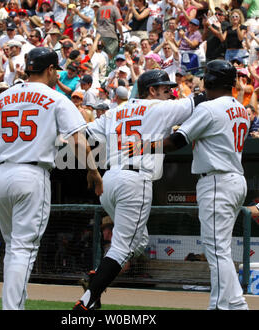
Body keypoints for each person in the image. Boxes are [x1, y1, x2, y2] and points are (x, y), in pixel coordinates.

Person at [0, 47, 103, 310]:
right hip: (31, 174)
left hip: (1, 173)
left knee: (13, 248)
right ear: (49, 70)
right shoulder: (55, 98)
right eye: (55, 71)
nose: (56, 76)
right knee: (23, 249)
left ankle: (13, 305)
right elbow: (78, 141)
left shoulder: (3, 98)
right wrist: (93, 170)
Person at [73, 69, 206, 310]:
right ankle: (88, 300)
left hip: (110, 179)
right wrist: (197, 84)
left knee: (139, 241)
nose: (170, 91)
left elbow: (79, 134)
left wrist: (90, 168)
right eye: (165, 88)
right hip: (135, 180)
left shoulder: (114, 111)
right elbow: (201, 100)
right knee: (124, 247)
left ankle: (98, 276)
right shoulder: (160, 107)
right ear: (151, 91)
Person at [162, 60, 249, 310]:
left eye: (205, 77)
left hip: (216, 181)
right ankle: (236, 304)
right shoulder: (240, 108)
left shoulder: (209, 109)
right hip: (234, 180)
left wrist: (145, 147)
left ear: (212, 81)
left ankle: (220, 306)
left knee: (216, 250)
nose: (202, 81)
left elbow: (177, 140)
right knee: (220, 249)